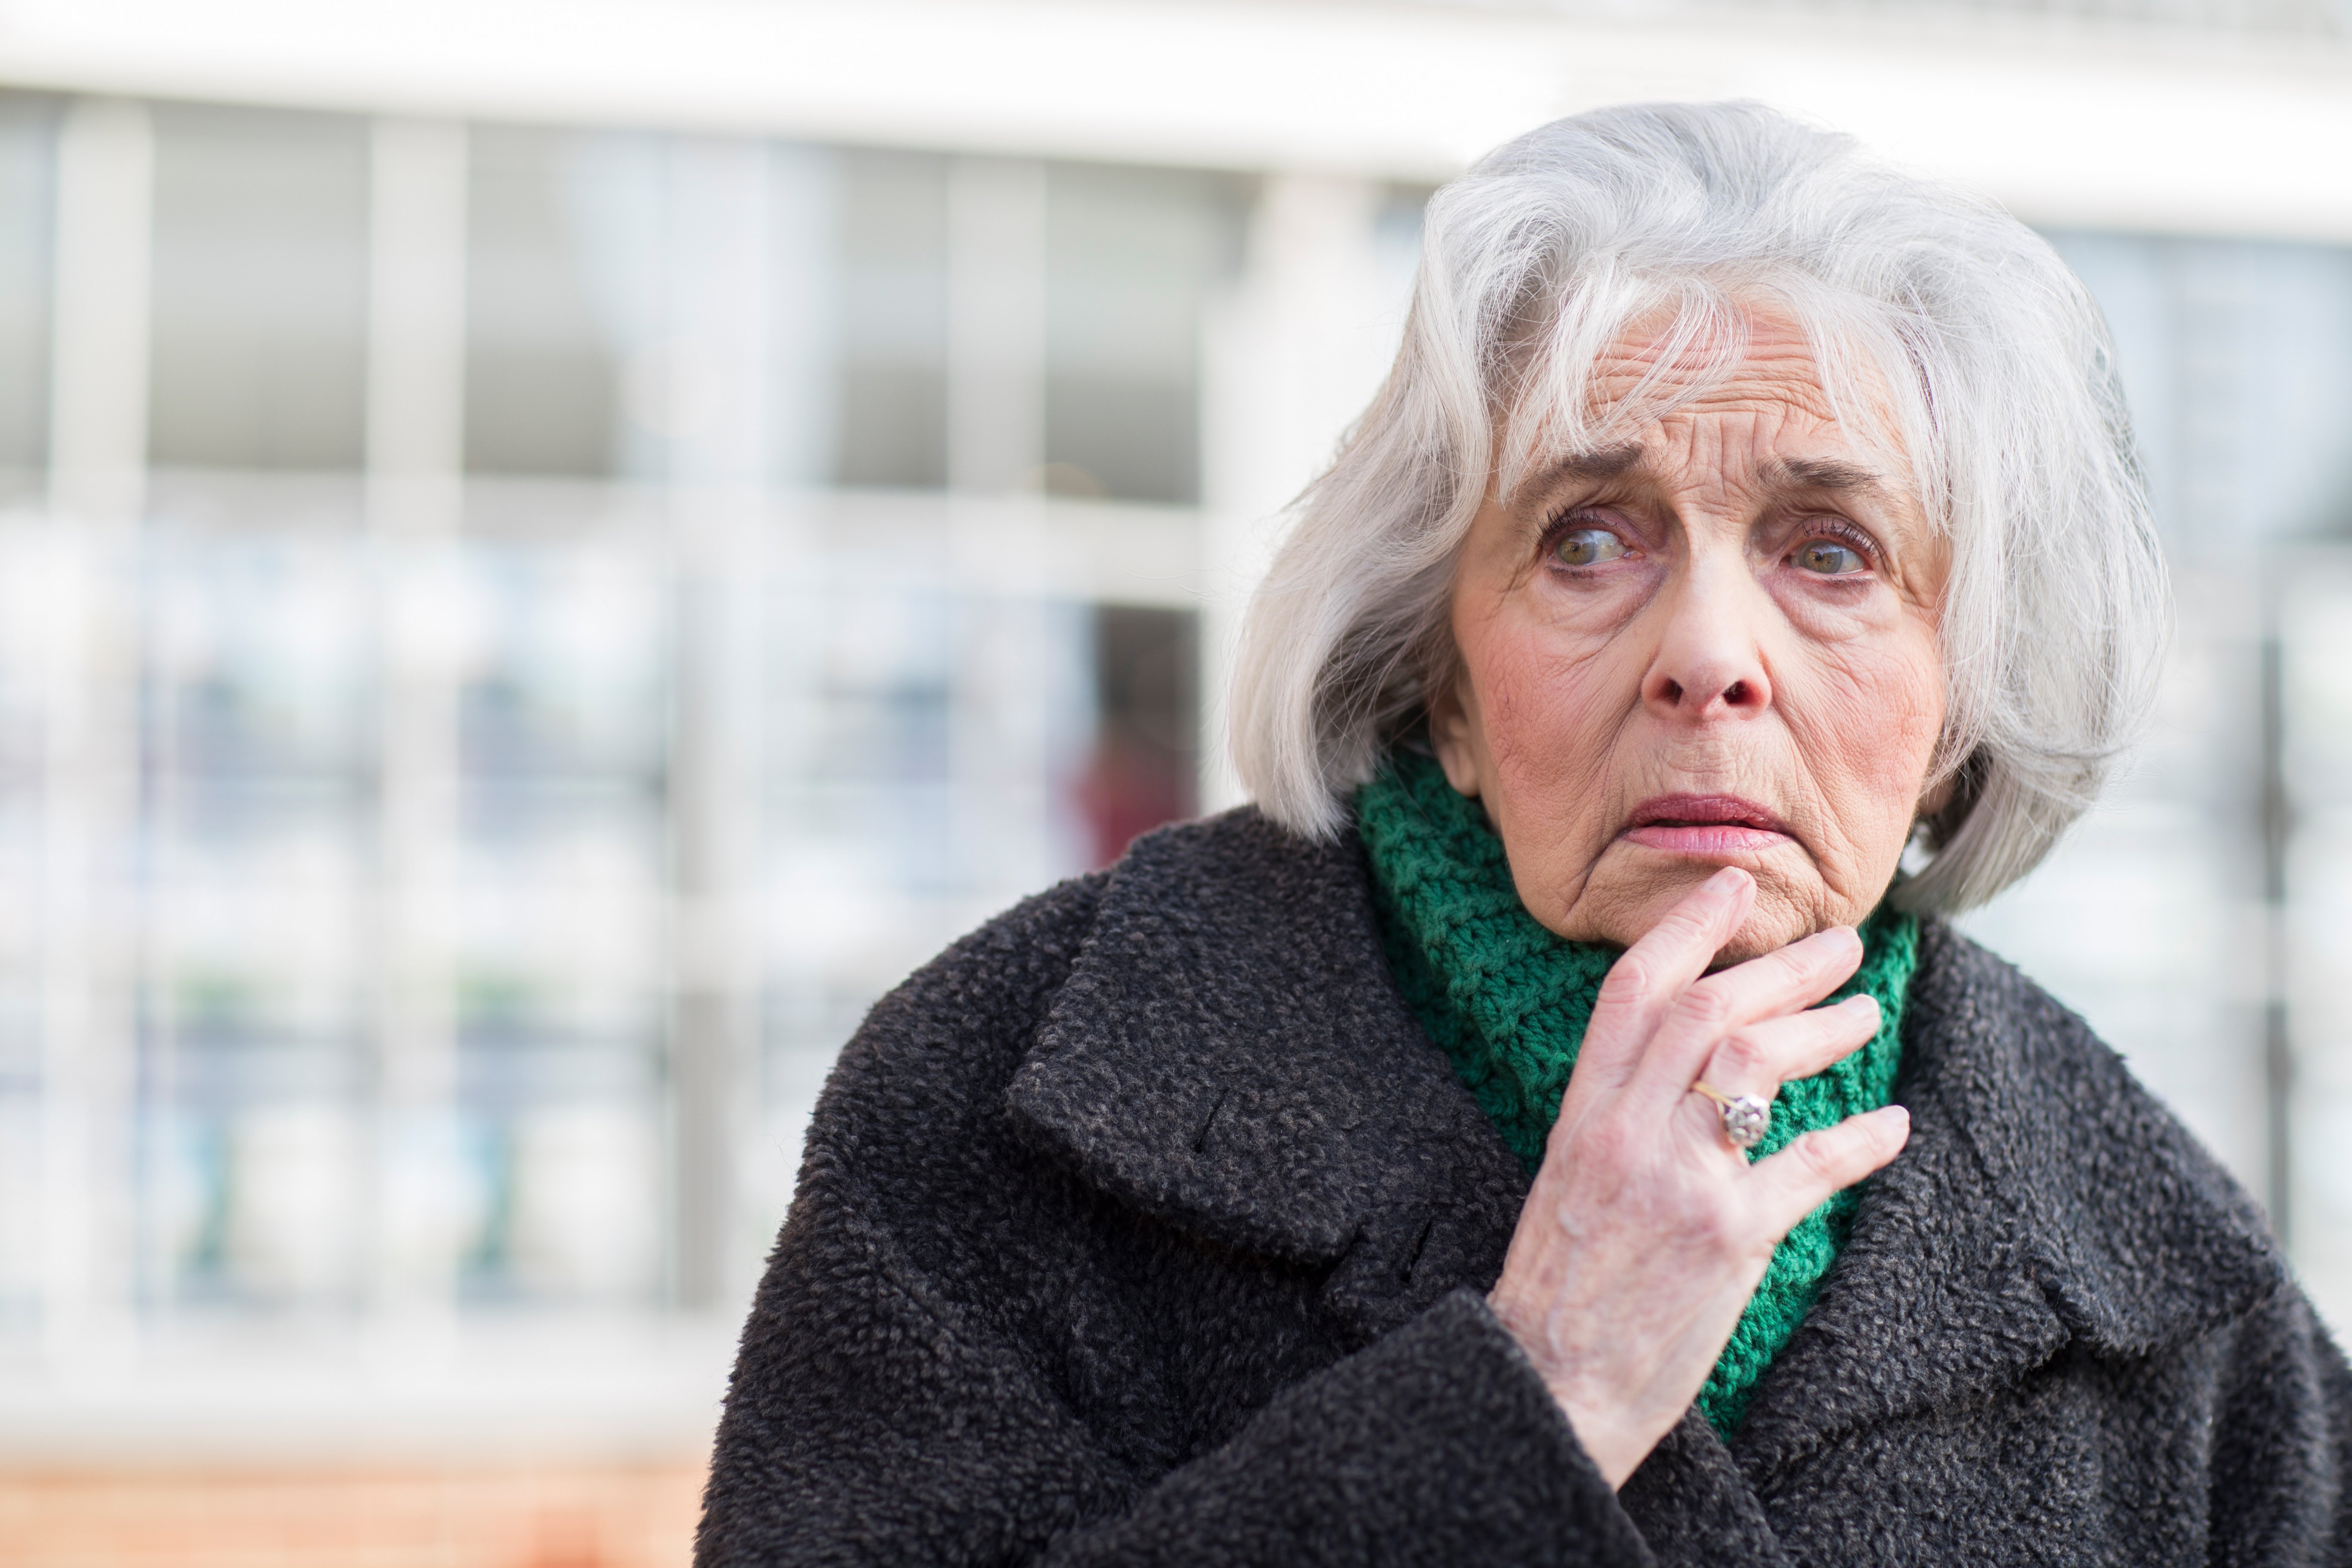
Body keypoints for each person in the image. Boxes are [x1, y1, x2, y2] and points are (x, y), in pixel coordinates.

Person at [696, 103, 2352, 1565]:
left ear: (1956, 713)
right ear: (1448, 689)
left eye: (1832, 552)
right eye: (1588, 539)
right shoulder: (1009, 1099)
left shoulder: (2169, 1289)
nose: (1711, 653)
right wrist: (1550, 1374)